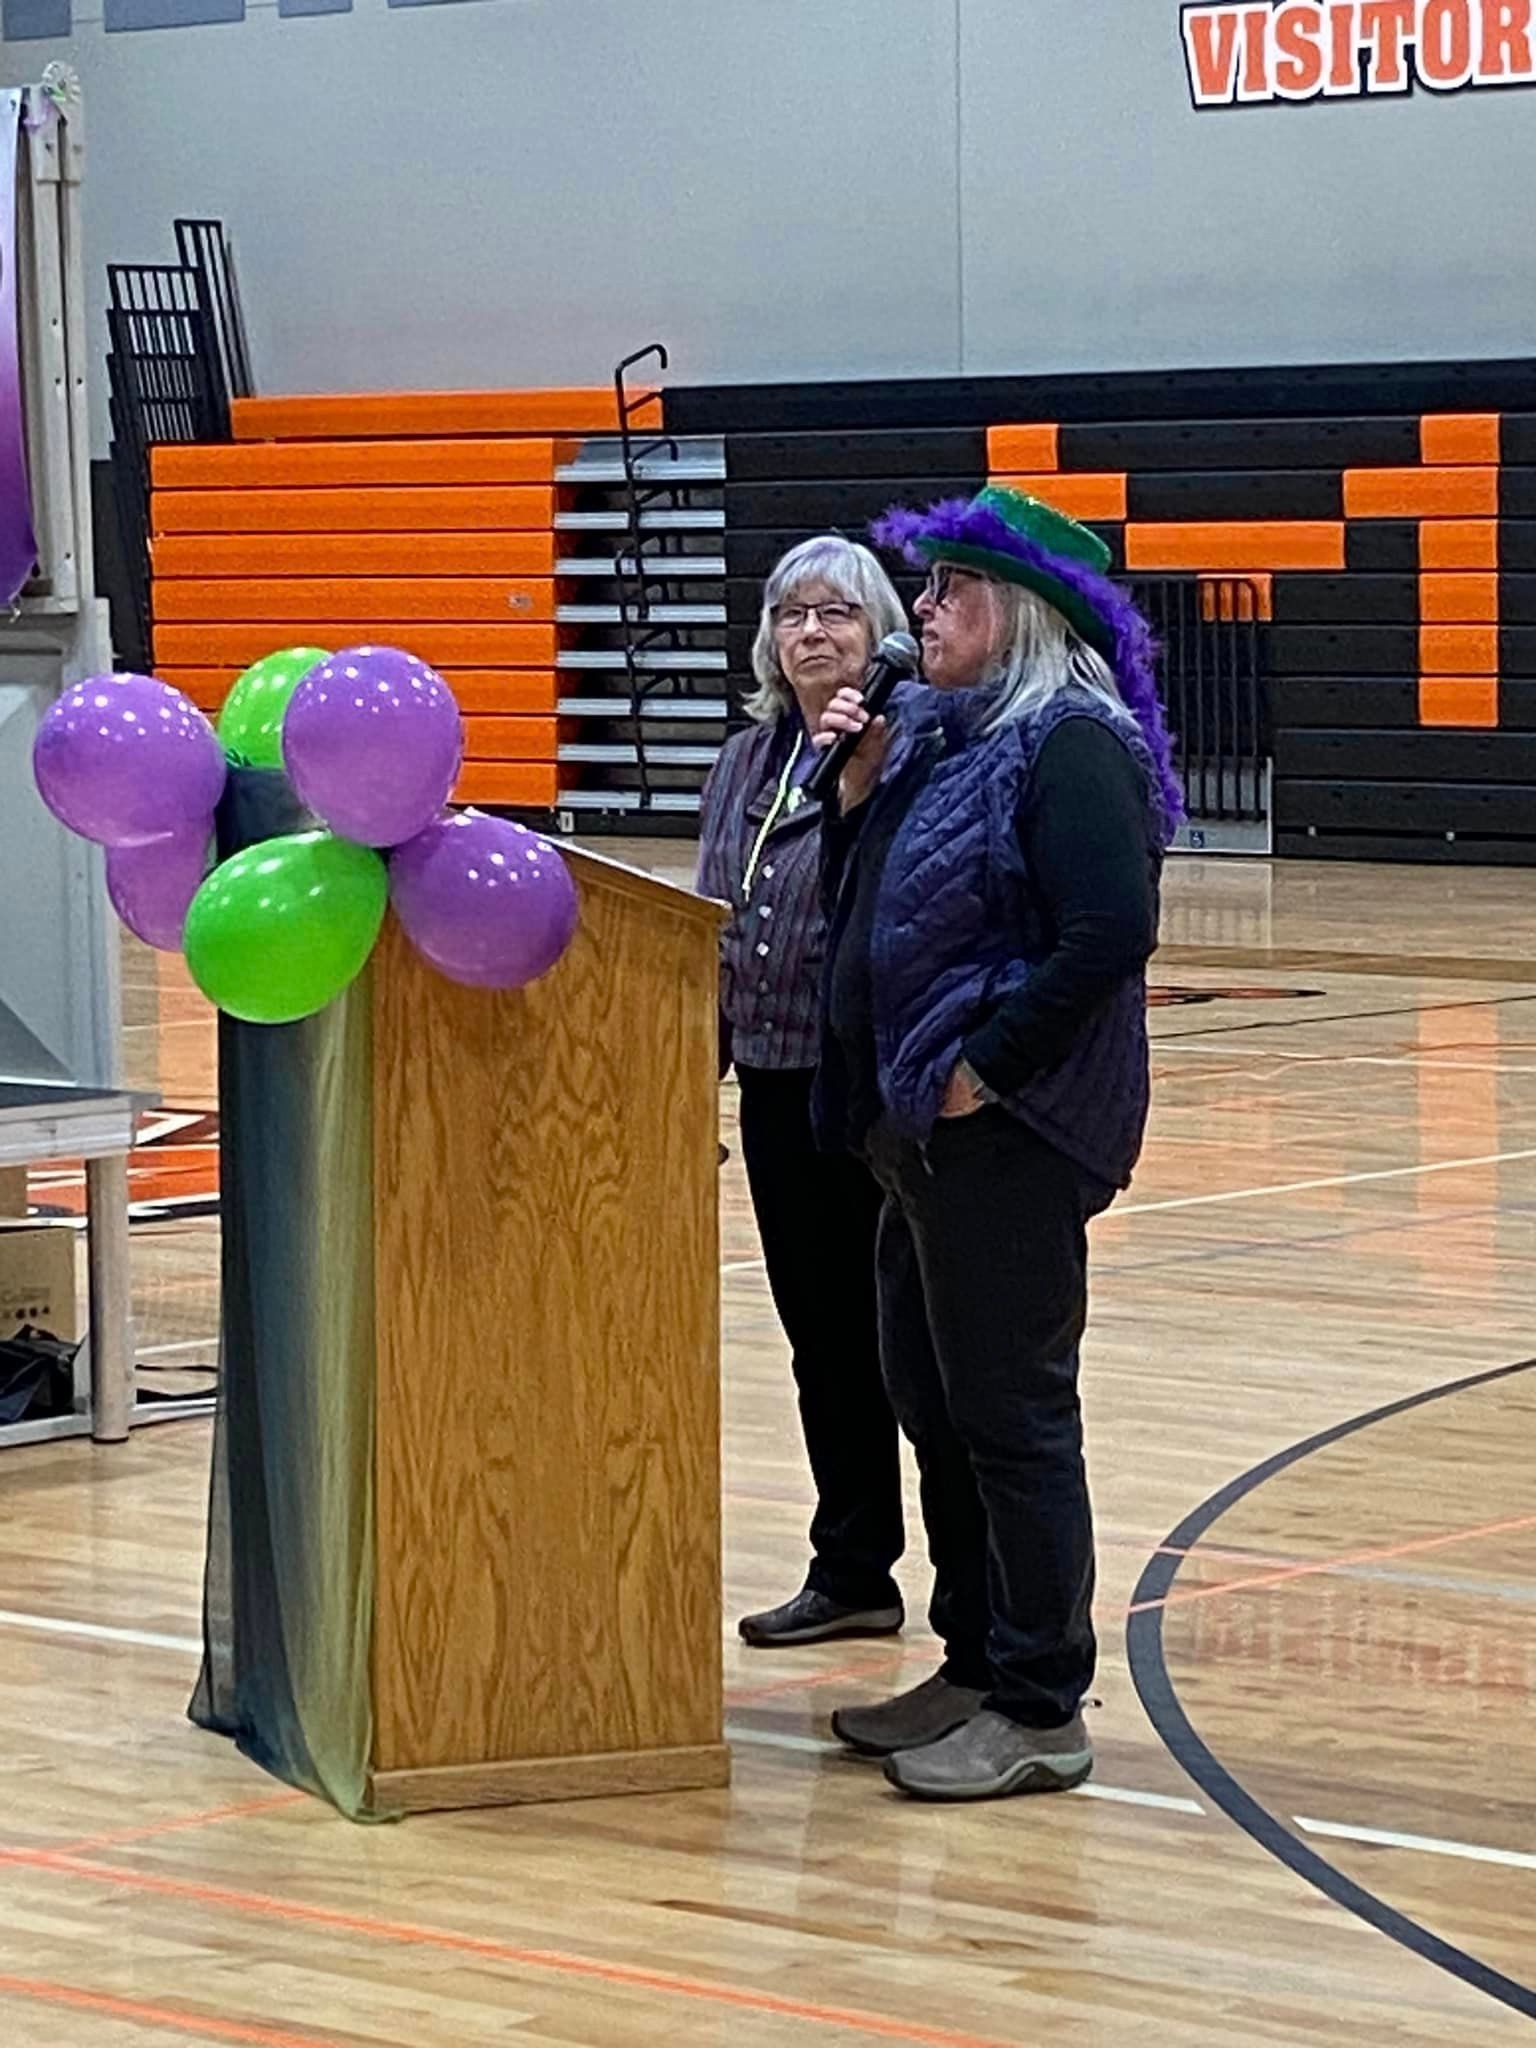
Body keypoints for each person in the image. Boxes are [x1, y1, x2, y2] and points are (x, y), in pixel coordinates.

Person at [811, 486, 1180, 1801]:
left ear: (1014, 614)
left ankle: (1039, 1701)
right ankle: (973, 1660)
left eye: (948, 592)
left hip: (1010, 1133)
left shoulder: (1071, 743)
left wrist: (985, 1069)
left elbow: (1105, 936)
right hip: (919, 1129)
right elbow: (873, 901)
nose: (919, 613)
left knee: (1013, 1417)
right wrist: (851, 786)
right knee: (935, 1399)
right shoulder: (943, 737)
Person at [697, 535, 911, 1647]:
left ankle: (966, 1584)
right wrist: (695, 1083)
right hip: (775, 1089)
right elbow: (710, 925)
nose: (812, 633)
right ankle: (853, 1566)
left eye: (837, 613)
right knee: (819, 1335)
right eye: (791, 614)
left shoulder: (906, 745)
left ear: (882, 637)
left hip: (870, 1091)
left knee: (900, 1340)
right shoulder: (742, 760)